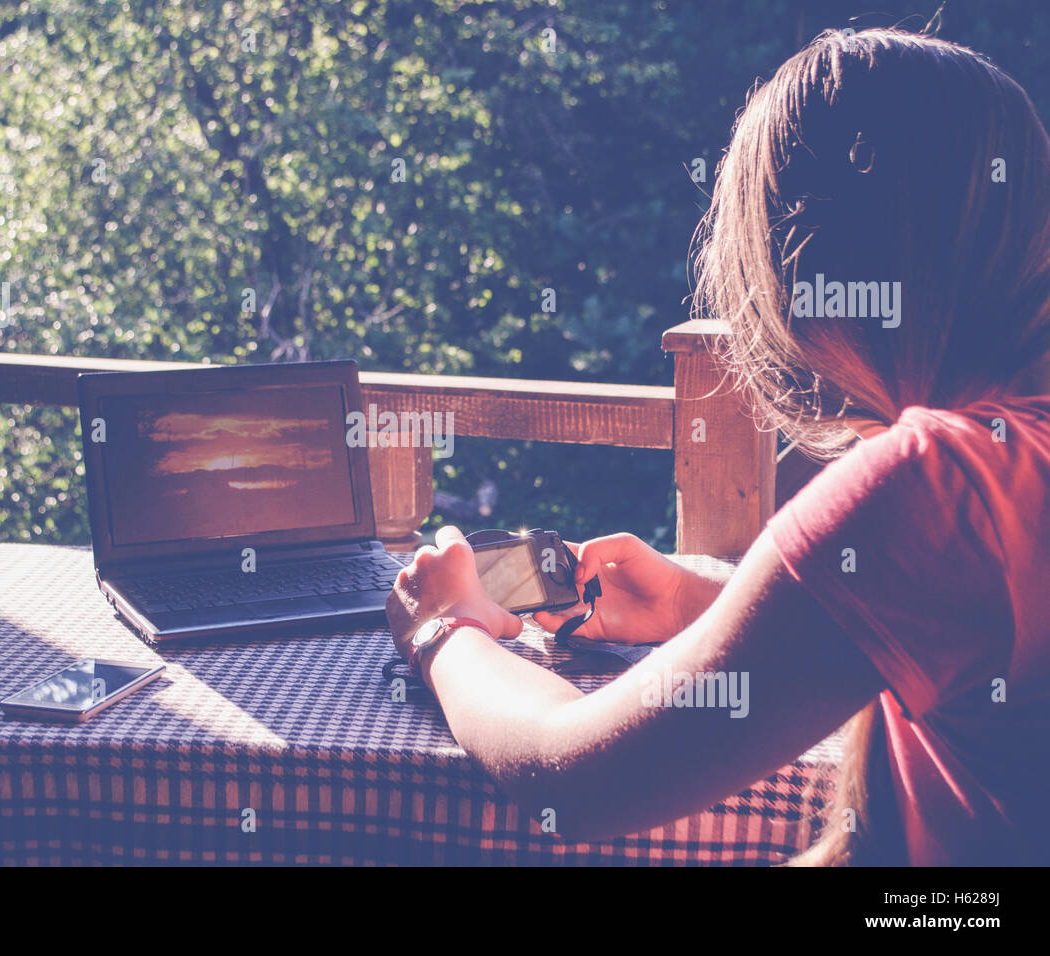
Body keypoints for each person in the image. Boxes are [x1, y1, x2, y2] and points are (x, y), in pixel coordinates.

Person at [385, 27, 1050, 866]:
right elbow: (945, 636)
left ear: (810, 268)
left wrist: (446, 632)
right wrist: (709, 606)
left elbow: (573, 777)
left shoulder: (941, 486)